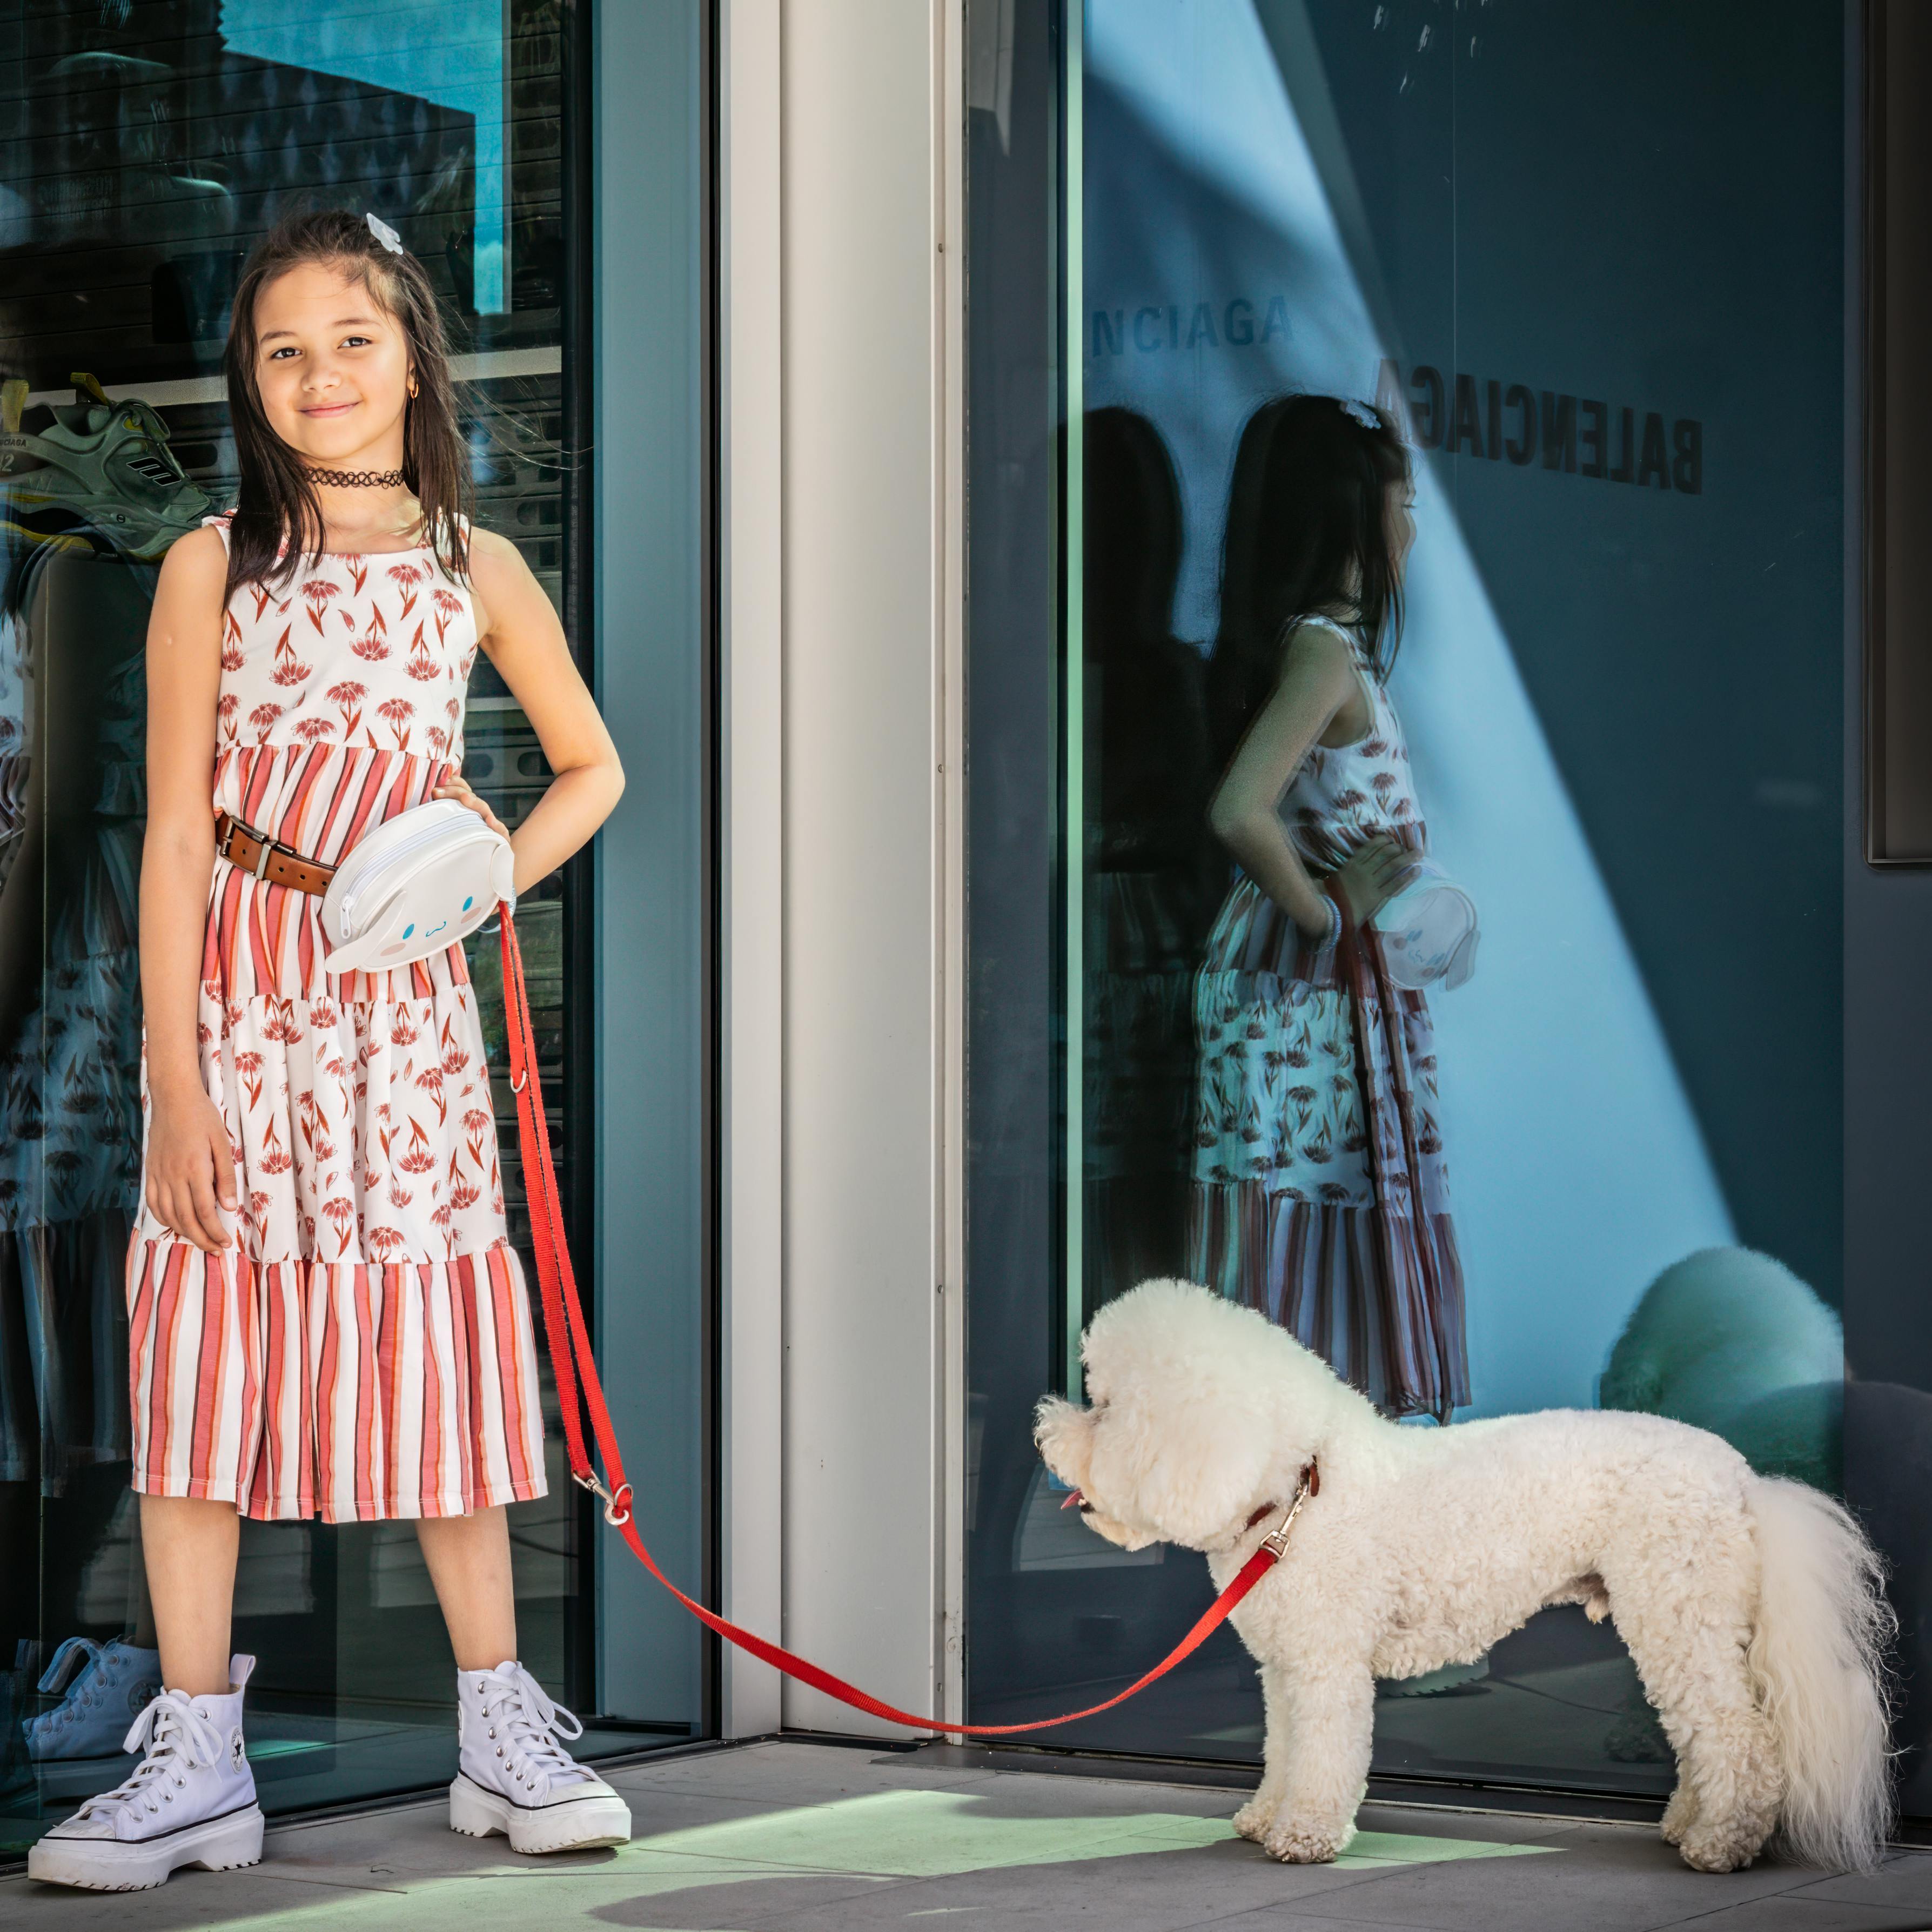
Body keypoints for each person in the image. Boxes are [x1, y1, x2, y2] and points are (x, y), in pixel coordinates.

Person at [28, 207, 629, 1890]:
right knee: (206, 1356)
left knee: (433, 1339)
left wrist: (463, 879)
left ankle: (500, 1728)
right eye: (283, 349)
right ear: (251, 377)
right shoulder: (210, 564)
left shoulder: (475, 568)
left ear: (414, 359)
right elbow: (165, 842)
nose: (319, 374)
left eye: (351, 340)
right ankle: (200, 1755)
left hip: (403, 1020)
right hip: (237, 1001)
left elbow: (593, 770)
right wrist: (171, 1081)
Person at [1189, 394, 1468, 1424]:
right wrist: (1325, 916)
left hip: (1323, 988)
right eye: (1400, 502)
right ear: (1351, 517)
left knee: (1307, 1222)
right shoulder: (1325, 652)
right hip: (1308, 993)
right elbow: (1239, 809)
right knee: (1300, 1227)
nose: (1409, 529)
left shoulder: (1324, 649)